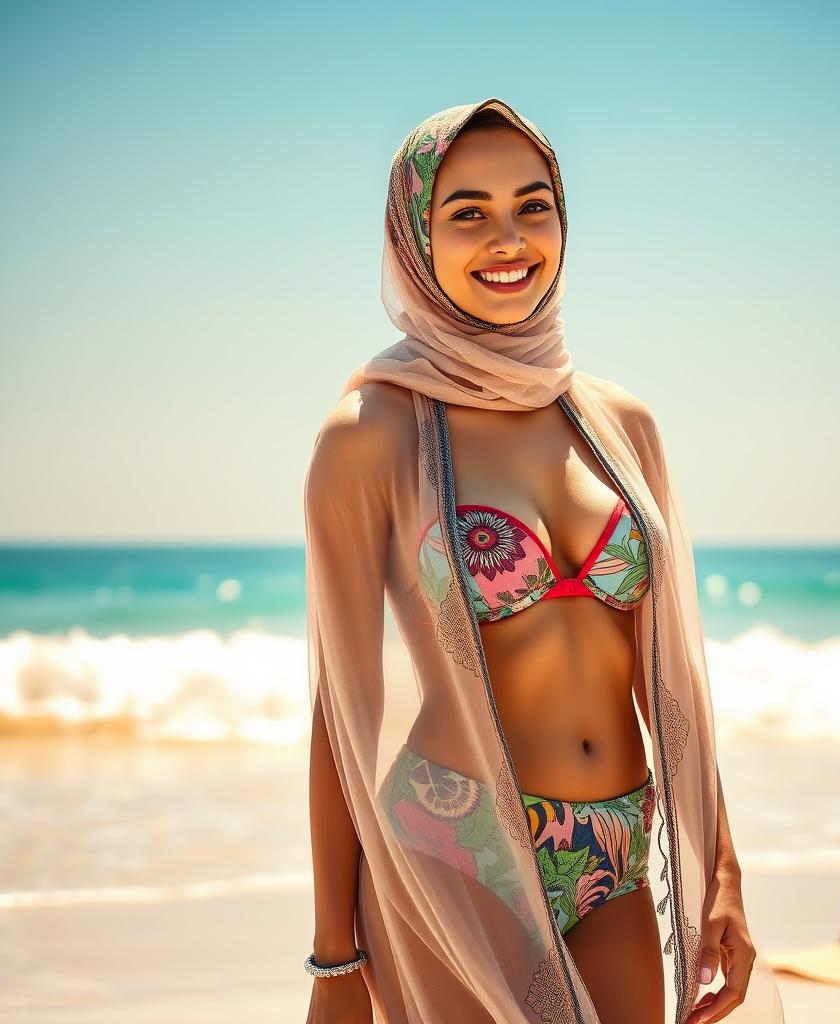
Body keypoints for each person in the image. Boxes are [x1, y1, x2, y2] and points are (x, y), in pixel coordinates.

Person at [304, 98, 786, 1024]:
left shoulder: (619, 427)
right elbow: (340, 713)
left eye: (533, 205)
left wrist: (721, 873)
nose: (508, 238)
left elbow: (677, 680)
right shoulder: (370, 434)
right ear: (415, 239)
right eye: (467, 213)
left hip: (614, 841)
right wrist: (335, 963)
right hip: (457, 849)